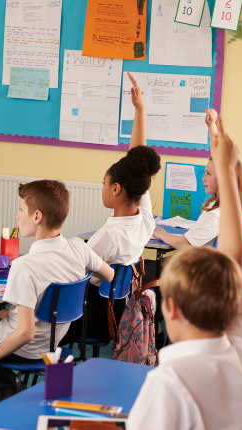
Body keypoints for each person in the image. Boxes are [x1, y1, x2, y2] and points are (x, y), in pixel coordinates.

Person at [127, 120, 242, 430]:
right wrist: (227, 171)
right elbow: (233, 259)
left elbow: (232, 259)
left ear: (171, 309)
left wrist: (226, 169)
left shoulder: (169, 382)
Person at [0, 180, 115, 408]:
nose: (17, 215)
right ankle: (14, 396)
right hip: (51, 342)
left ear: (37, 216)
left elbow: (25, 332)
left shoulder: (26, 266)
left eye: (21, 209)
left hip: (24, 347)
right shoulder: (79, 248)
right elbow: (110, 275)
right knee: (1, 315)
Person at [64, 72, 160, 342]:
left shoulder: (109, 236)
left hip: (89, 316)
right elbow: (137, 160)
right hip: (118, 312)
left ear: (116, 188)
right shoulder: (144, 220)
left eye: (104, 183)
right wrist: (139, 110)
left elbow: (73, 273)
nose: (102, 188)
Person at [152, 109, 242, 249]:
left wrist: (160, 233)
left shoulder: (217, 215)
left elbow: (183, 243)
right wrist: (211, 126)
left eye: (208, 173)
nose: (203, 179)